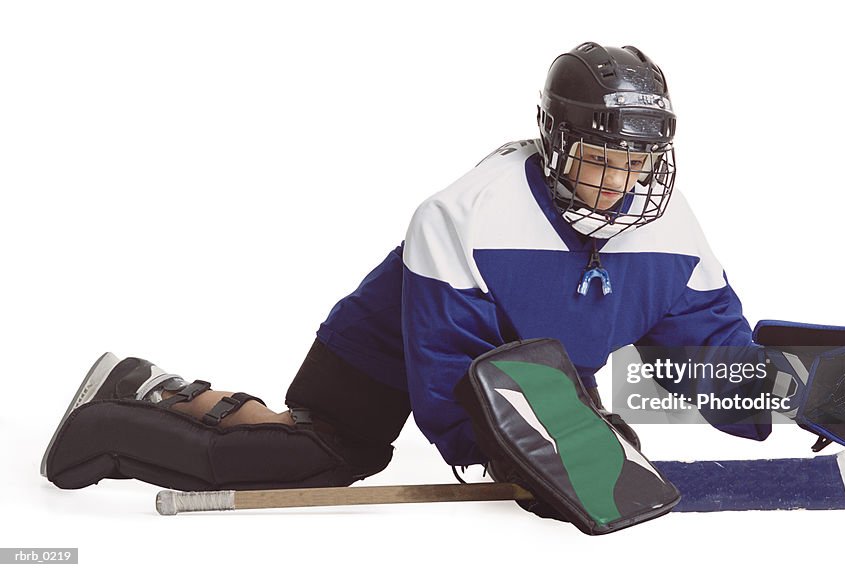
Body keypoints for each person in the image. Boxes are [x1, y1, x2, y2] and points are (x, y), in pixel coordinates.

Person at [41, 41, 763, 493]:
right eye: (601, 159)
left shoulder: (671, 225)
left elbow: (704, 351)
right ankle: (117, 419)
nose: (620, 185)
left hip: (536, 376)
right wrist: (521, 455)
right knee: (324, 456)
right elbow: (454, 373)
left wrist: (788, 390)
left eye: (636, 160)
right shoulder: (469, 211)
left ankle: (150, 384)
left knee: (598, 440)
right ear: (557, 140)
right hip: (382, 358)